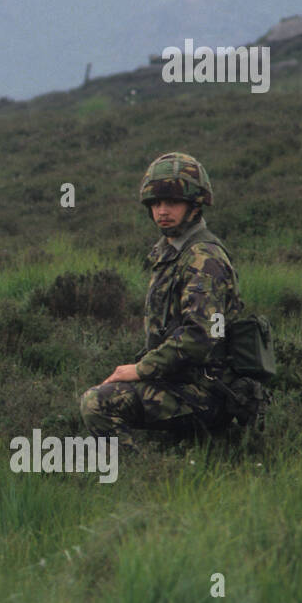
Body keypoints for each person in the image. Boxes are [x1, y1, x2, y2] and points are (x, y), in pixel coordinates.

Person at [79, 152, 247, 453]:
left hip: (208, 392)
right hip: (181, 382)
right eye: (155, 203)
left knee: (97, 403)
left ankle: (133, 479)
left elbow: (202, 335)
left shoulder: (203, 258)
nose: (162, 211)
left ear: (195, 205)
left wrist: (141, 369)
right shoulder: (169, 252)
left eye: (172, 202)